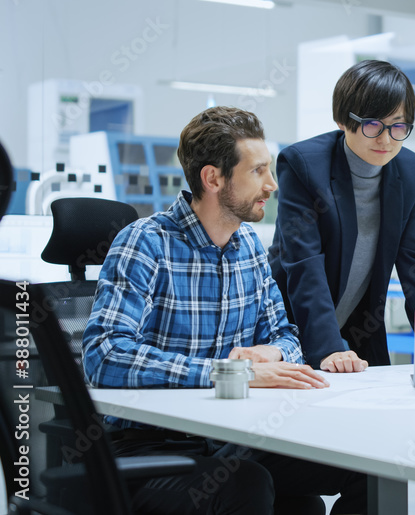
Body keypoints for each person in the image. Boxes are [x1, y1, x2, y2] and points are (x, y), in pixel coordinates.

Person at [82, 106, 366, 514]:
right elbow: (104, 356)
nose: (271, 184)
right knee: (246, 485)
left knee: (366, 466)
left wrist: (274, 352)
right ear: (213, 178)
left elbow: (287, 336)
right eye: (257, 172)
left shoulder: (248, 246)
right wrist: (236, 373)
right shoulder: (145, 242)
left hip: (230, 439)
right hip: (148, 448)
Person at [268, 60, 415, 371]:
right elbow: (304, 264)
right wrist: (329, 348)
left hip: (359, 331)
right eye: (373, 124)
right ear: (342, 120)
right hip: (290, 329)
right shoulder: (304, 165)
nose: (386, 140)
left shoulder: (410, 169)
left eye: (398, 126)